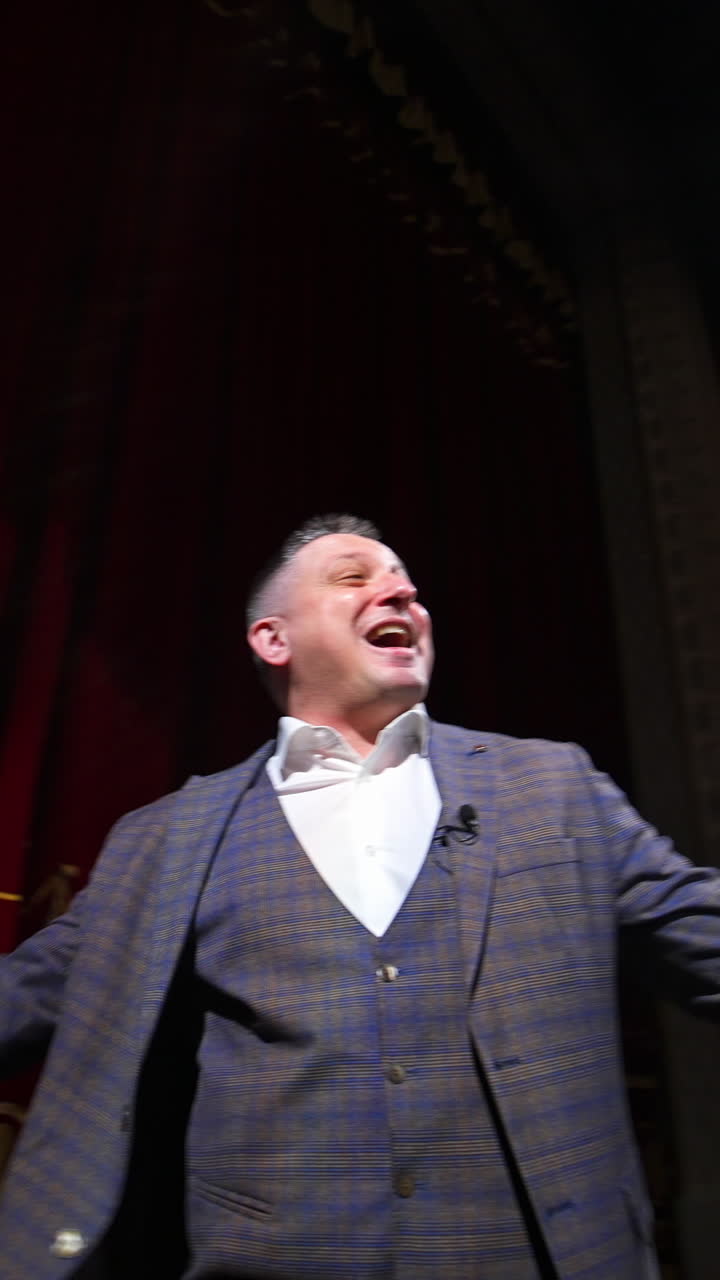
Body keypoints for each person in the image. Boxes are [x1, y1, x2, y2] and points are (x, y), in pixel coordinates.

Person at [1, 512, 719, 1280]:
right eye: (354, 577)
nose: (402, 591)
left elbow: (698, 929)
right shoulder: (166, 837)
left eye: (407, 581)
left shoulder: (551, 786)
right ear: (274, 639)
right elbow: (35, 991)